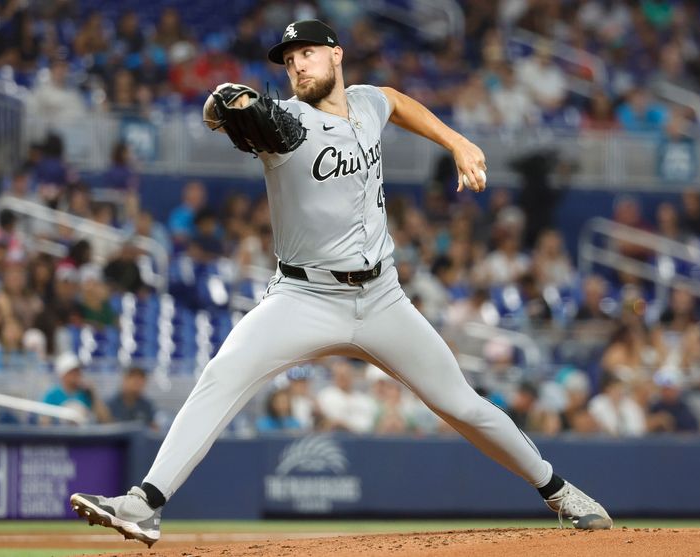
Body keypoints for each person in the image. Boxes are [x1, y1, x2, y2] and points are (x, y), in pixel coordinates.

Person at [70, 20, 612, 547]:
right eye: (287, 60)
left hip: (382, 299)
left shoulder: (368, 103)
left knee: (461, 404)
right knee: (223, 374)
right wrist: (222, 101)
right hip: (303, 296)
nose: (296, 64)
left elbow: (397, 100)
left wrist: (456, 141)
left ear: (336, 54)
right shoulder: (282, 123)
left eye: (306, 52)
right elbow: (217, 114)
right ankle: (145, 503)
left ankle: (560, 492)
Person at [41, 353, 111, 426]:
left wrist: (93, 394)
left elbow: (105, 420)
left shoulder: (86, 393)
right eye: (72, 372)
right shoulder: (52, 395)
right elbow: (44, 423)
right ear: (63, 375)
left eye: (78, 371)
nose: (77, 374)